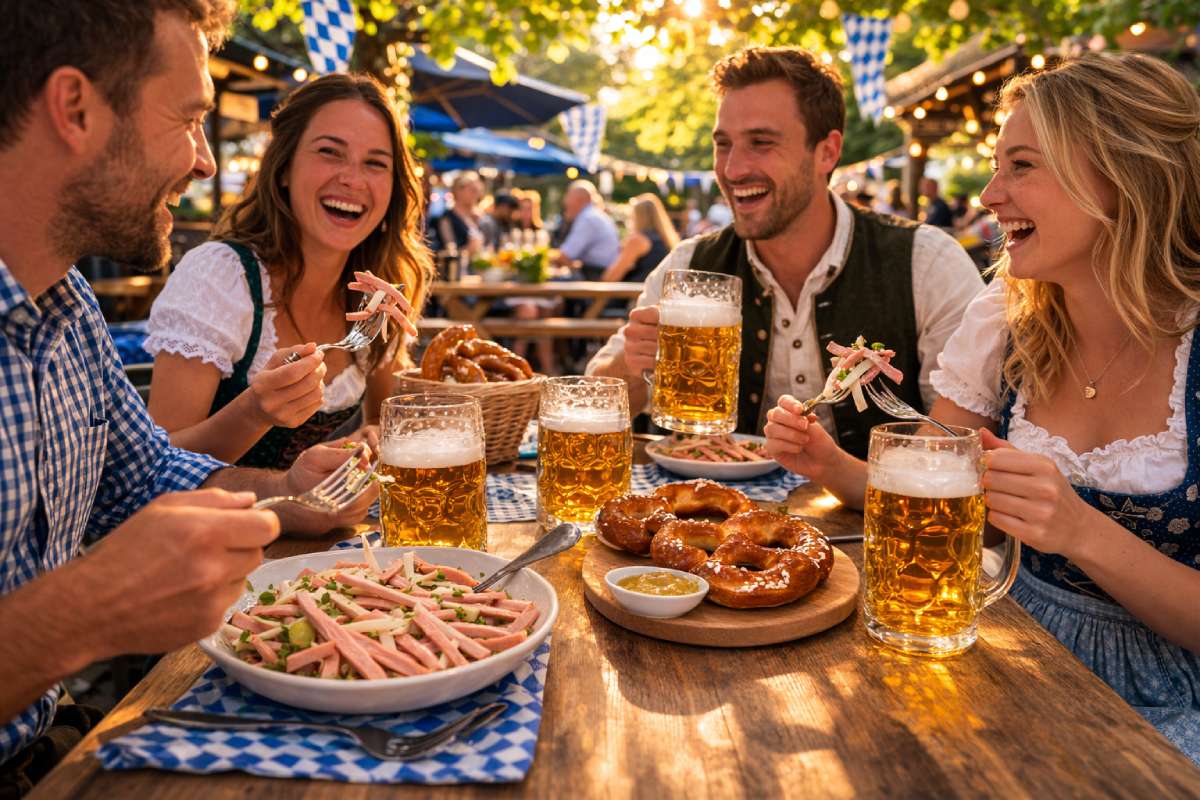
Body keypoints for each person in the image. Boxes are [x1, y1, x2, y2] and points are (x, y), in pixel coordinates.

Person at [764, 52, 1200, 763]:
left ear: (1124, 176)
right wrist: (830, 462)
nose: (990, 195)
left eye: (1021, 166)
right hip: (1002, 649)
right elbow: (932, 493)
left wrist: (1083, 532)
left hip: (1161, 702)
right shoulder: (1006, 322)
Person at [0, 0, 381, 785]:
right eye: (189, 119)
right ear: (74, 108)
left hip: (56, 746)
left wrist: (286, 489)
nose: (206, 161)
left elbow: (149, 480)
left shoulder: (67, 310)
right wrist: (82, 612)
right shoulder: (217, 275)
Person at [587, 46, 982, 454]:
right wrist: (632, 366)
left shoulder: (925, 262)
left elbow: (960, 440)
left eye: (761, 142)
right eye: (724, 145)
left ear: (827, 152)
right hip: (710, 508)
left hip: (877, 517)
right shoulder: (690, 266)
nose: (733, 169)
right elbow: (593, 403)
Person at [144, 73, 430, 468]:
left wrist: (377, 436)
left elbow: (386, 418)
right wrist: (254, 414)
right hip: (213, 528)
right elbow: (153, 470)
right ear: (283, 168)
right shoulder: (221, 277)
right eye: (330, 152)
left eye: (375, 163)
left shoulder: (374, 291)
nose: (352, 179)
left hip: (319, 528)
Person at [601, 194, 678, 284]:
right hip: (655, 292)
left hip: (633, 293)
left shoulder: (638, 240)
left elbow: (610, 278)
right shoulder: (665, 240)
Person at [552, 180, 620, 279]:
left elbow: (566, 255)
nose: (565, 202)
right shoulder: (593, 214)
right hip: (596, 273)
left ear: (579, 199)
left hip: (595, 276)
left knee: (547, 284)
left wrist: (539, 256)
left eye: (568, 197)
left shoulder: (588, 219)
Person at [428, 171, 486, 258]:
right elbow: (450, 252)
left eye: (478, 190)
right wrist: (469, 250)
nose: (476, 195)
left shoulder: (479, 216)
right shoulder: (446, 218)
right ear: (458, 191)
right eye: (472, 190)